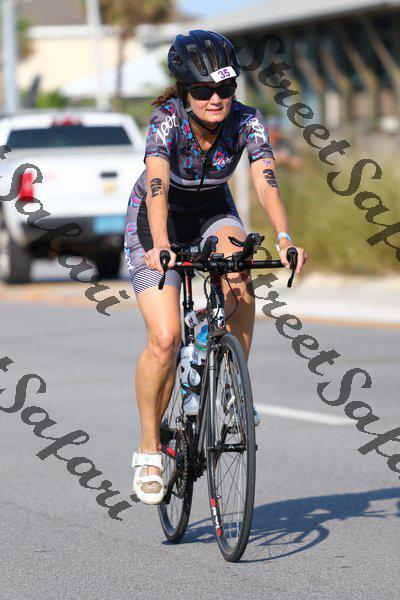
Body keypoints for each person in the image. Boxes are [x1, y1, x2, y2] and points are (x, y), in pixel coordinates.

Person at [124, 30, 308, 505]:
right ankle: (149, 449)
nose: (215, 99)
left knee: (240, 274)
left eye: (225, 89)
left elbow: (265, 180)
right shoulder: (166, 120)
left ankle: (231, 385)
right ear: (185, 91)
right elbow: (158, 184)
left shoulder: (247, 120)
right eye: (203, 91)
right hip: (156, 219)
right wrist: (161, 245)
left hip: (212, 211)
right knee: (165, 340)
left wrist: (285, 237)